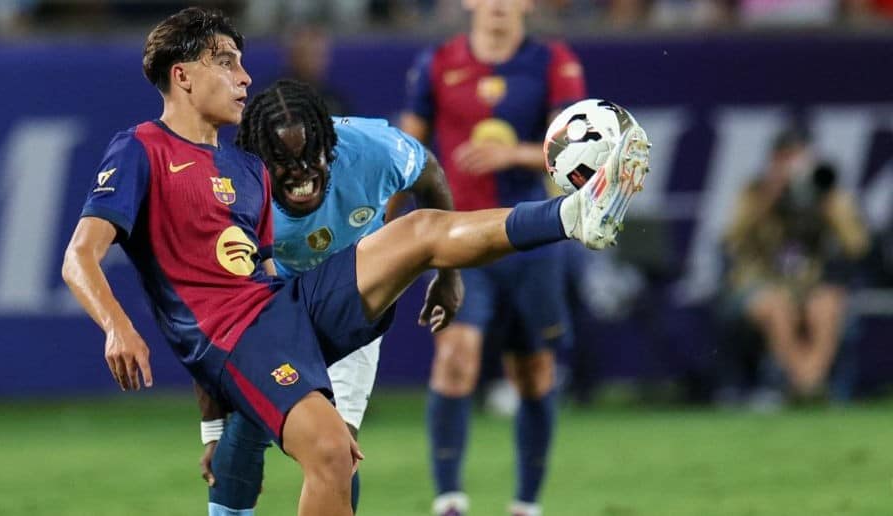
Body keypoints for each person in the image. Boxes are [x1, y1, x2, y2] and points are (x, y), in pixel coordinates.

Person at [61, 7, 647, 516]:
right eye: (226, 62)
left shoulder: (246, 170)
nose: (244, 77)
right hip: (233, 337)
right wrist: (117, 326)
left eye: (241, 62)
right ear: (182, 75)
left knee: (417, 230)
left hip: (279, 308)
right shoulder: (141, 148)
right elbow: (80, 256)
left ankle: (574, 215)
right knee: (329, 452)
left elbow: (258, 276)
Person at [195, 79, 461, 516]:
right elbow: (211, 316)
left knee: (338, 447)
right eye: (283, 162)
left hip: (353, 298)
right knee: (240, 433)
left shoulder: (375, 151)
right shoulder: (228, 191)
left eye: (310, 155)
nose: (300, 171)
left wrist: (448, 274)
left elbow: (429, 174)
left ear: (330, 146)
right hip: (275, 302)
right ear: (258, 159)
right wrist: (211, 428)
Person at [399, 0, 588, 514]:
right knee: (455, 359)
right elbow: (406, 150)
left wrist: (515, 154)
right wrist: (382, 222)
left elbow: (575, 149)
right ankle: (449, 500)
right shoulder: (439, 62)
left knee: (533, 372)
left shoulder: (553, 62)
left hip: (530, 238)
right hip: (458, 236)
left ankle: (525, 504)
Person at [722, 128, 869, 400]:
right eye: (786, 158)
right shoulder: (754, 191)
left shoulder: (824, 191)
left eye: (799, 157)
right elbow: (732, 240)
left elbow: (857, 245)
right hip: (759, 283)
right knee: (777, 307)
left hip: (808, 284)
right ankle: (810, 386)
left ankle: (805, 384)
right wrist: (769, 197)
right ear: (774, 159)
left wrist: (828, 202)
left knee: (826, 305)